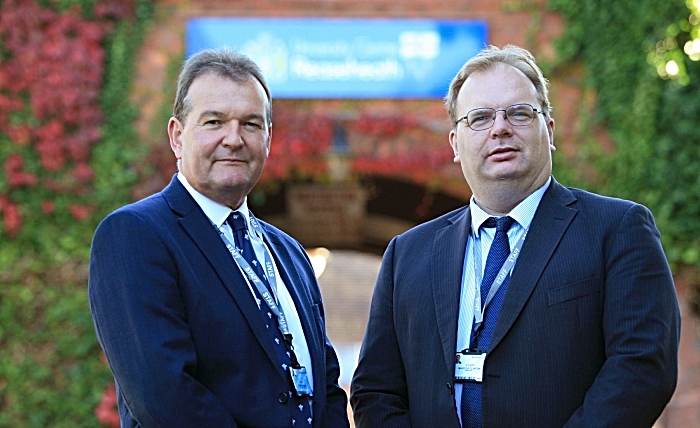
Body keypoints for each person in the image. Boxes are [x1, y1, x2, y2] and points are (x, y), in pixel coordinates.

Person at [350, 44, 680, 428]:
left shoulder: (617, 230)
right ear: (456, 143)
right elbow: (376, 390)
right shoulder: (407, 254)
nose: (500, 128)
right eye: (480, 118)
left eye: (520, 113)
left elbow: (641, 366)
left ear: (549, 131)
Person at [89, 48, 349, 427]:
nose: (234, 138)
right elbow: (164, 396)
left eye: (250, 124)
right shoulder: (136, 235)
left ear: (268, 138)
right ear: (177, 136)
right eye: (214, 122)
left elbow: (325, 383)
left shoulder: (289, 253)